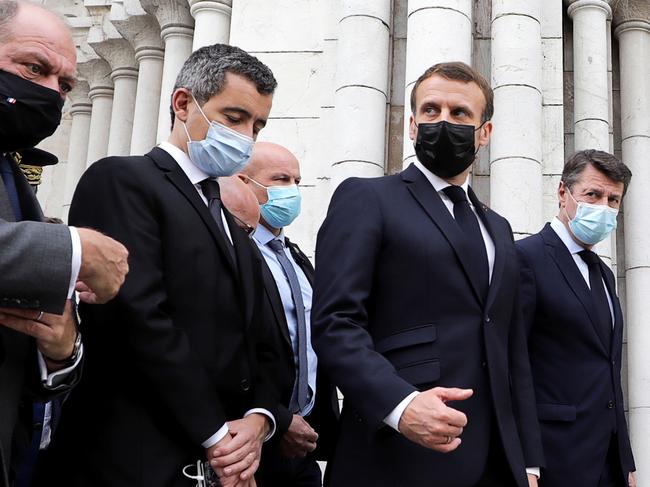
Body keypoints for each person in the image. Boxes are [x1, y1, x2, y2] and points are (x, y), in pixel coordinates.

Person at [38, 43, 281, 487]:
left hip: (221, 464)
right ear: (184, 103)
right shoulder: (123, 181)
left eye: (257, 124)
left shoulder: (236, 229)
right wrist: (217, 436)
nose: (247, 136)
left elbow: (265, 342)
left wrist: (258, 421)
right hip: (132, 460)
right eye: (234, 118)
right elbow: (138, 317)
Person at [311, 61, 543, 487]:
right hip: (398, 452)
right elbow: (334, 324)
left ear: (484, 133)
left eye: (459, 114)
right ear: (413, 126)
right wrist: (400, 405)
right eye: (431, 111)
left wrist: (528, 460)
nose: (444, 121)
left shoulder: (499, 228)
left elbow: (512, 349)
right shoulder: (367, 198)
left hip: (495, 460)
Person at [0, 1, 128, 485]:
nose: (52, 94)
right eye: (34, 68)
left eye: (66, 85)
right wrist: (77, 250)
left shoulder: (11, 170)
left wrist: (60, 351)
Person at [516, 150, 636, 487]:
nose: (604, 207)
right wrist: (528, 464)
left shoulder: (604, 274)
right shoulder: (525, 259)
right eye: (593, 195)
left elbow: (609, 369)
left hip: (608, 463)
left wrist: (625, 460)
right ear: (562, 193)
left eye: (614, 200)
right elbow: (514, 365)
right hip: (555, 459)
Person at [238, 142, 338, 486]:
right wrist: (277, 420)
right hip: (249, 443)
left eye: (297, 180)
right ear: (243, 183)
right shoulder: (236, 254)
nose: (292, 191)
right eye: (280, 179)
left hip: (303, 446)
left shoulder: (295, 259)